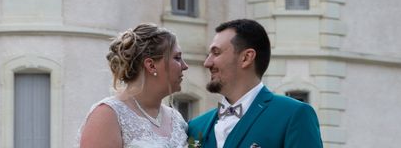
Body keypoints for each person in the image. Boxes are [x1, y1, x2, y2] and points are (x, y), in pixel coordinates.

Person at [188, 19, 323, 148]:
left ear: (246, 58)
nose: (207, 63)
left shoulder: (293, 115)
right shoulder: (196, 127)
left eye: (216, 53)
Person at [78, 23, 189, 148]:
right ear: (151, 65)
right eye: (177, 58)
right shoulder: (108, 115)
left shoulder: (176, 119)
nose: (185, 66)